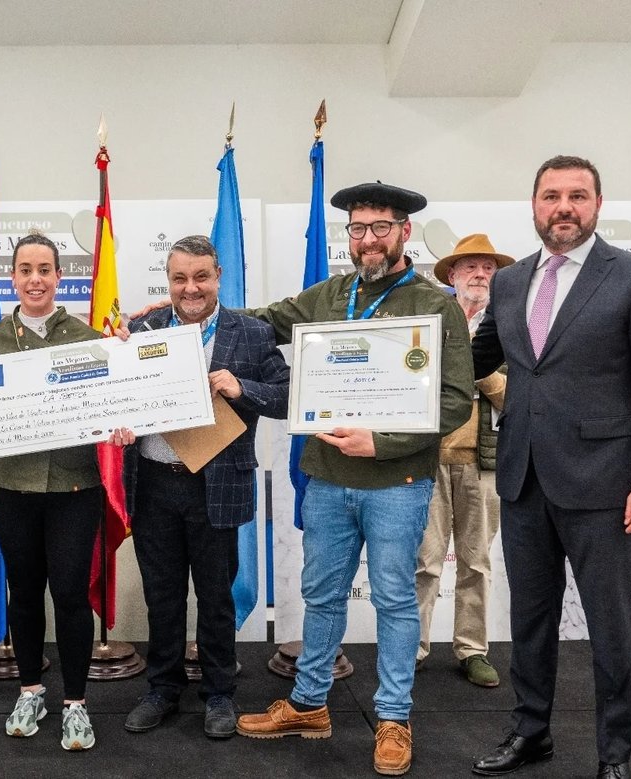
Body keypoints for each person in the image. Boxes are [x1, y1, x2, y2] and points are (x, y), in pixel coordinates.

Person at [233, 182, 474, 777]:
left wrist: (383, 441)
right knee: (321, 594)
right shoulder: (330, 294)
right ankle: (310, 704)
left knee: (393, 599)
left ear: (403, 233)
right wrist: (184, 316)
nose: (367, 240)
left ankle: (393, 718)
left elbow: (455, 401)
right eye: (358, 229)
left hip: (398, 479)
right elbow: (262, 322)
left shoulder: (436, 304)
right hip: (328, 478)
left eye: (380, 228)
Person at [469, 156, 631, 779]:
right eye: (550, 195)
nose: (563, 206)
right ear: (532, 205)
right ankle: (530, 732)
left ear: (596, 204)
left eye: (577, 195)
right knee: (530, 622)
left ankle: (614, 754)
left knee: (613, 631)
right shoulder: (509, 285)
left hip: (609, 487)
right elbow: (475, 356)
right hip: (523, 479)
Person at [121, 235, 289, 740]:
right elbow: (116, 393)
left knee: (217, 596)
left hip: (216, 485)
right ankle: (162, 689)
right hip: (154, 482)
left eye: (200, 277)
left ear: (218, 276)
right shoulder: (140, 329)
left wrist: (243, 388)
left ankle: (219, 693)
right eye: (179, 278)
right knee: (162, 595)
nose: (190, 288)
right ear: (167, 282)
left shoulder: (254, 334)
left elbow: (288, 395)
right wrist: (119, 419)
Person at [0, 232, 130, 752]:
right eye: (25, 269)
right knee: (23, 591)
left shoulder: (90, 337)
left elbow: (111, 402)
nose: (35, 279)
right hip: (10, 485)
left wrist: (120, 422)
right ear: (13, 277)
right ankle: (31, 691)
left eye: (45, 269)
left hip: (73, 484)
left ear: (60, 278)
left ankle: (76, 704)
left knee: (68, 593)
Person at [415, 234, 512, 687]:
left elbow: (517, 398)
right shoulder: (432, 324)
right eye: (469, 267)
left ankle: (472, 649)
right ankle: (411, 648)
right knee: (424, 561)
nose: (479, 275)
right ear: (451, 276)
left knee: (477, 562)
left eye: (488, 268)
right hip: (428, 459)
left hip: (484, 464)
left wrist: (475, 365)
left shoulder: (514, 329)